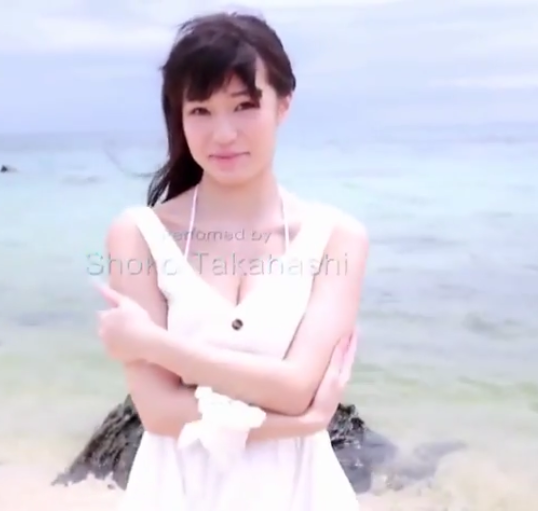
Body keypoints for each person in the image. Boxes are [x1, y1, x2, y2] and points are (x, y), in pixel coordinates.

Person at [93, 11, 369, 511]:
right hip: (176, 493)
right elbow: (158, 412)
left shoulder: (336, 239)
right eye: (200, 110)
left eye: (244, 106)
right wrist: (300, 423)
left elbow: (296, 387)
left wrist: (154, 344)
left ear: (283, 104)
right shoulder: (139, 234)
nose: (223, 133)